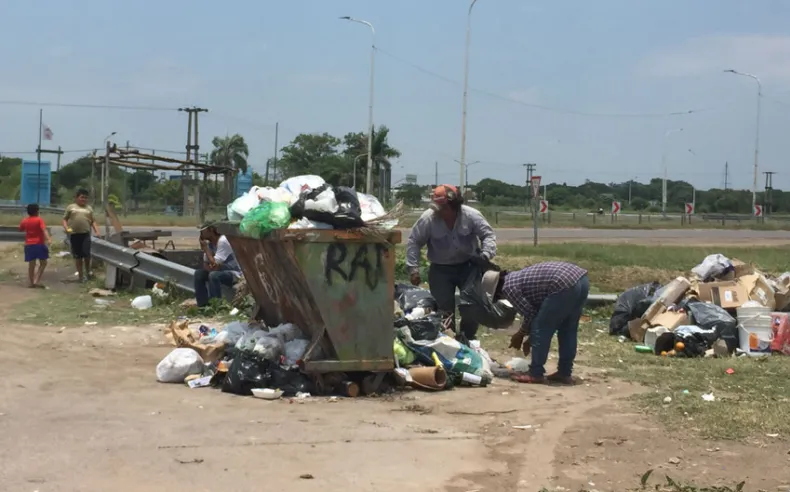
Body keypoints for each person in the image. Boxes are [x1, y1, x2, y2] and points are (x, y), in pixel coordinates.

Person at [406, 184, 497, 341]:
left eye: (442, 207)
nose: (438, 211)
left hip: (469, 267)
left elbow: (488, 235)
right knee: (443, 309)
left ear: (454, 205)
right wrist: (413, 269)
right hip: (440, 270)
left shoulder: (471, 215)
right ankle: (449, 340)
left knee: (472, 306)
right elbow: (414, 242)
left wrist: (486, 254)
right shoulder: (428, 218)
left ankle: (468, 338)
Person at [482, 261, 589, 384]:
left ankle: (536, 373)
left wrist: (521, 334)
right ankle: (565, 372)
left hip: (562, 284)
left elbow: (531, 315)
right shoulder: (515, 277)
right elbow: (538, 311)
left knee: (541, 327)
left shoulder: (508, 288)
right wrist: (529, 337)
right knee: (568, 329)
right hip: (581, 279)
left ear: (497, 292)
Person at [194, 222, 242, 308]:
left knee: (213, 275)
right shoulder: (210, 244)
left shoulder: (223, 241)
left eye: (203, 231)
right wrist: (211, 267)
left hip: (234, 273)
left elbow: (215, 264)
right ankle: (202, 305)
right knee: (199, 274)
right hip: (220, 272)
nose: (200, 234)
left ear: (211, 230)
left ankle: (216, 306)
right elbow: (206, 264)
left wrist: (206, 249)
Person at [62, 189, 100, 282]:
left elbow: (93, 221)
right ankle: (81, 276)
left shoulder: (89, 208)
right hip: (74, 235)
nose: (84, 199)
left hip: (85, 234)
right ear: (77, 197)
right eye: (82, 197)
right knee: (78, 257)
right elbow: (64, 219)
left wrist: (97, 231)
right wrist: (66, 228)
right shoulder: (71, 207)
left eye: (86, 198)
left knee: (87, 255)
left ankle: (88, 272)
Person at [19, 203, 52, 288]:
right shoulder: (39, 220)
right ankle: (36, 280)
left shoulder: (25, 220)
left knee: (31, 264)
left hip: (29, 245)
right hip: (39, 244)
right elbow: (44, 229)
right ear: (37, 211)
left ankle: (31, 282)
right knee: (43, 263)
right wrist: (48, 238)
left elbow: (20, 229)